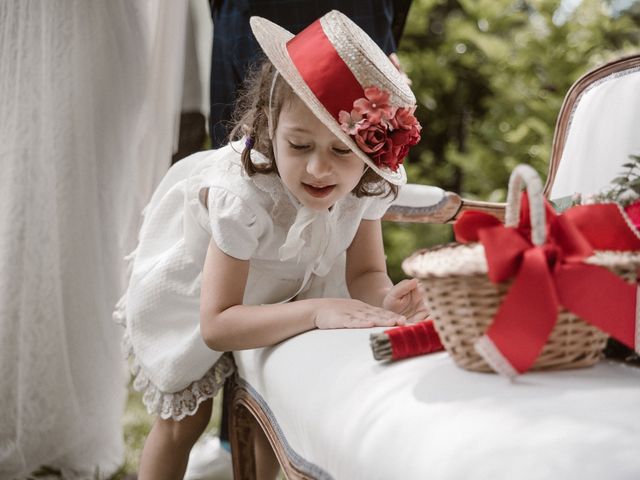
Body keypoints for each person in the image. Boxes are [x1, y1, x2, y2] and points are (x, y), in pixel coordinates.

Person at [115, 10, 427, 480]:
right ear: (268, 126)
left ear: (368, 154)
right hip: (200, 294)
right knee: (184, 422)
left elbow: (365, 274)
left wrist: (385, 299)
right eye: (299, 146)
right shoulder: (242, 197)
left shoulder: (365, 188)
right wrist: (317, 311)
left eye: (342, 151)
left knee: (271, 408)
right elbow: (217, 324)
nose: (318, 170)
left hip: (282, 289)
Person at [209, 0, 413, 148]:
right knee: (244, 151)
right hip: (247, 15)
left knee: (356, 155)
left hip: (359, 15)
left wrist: (385, 42)